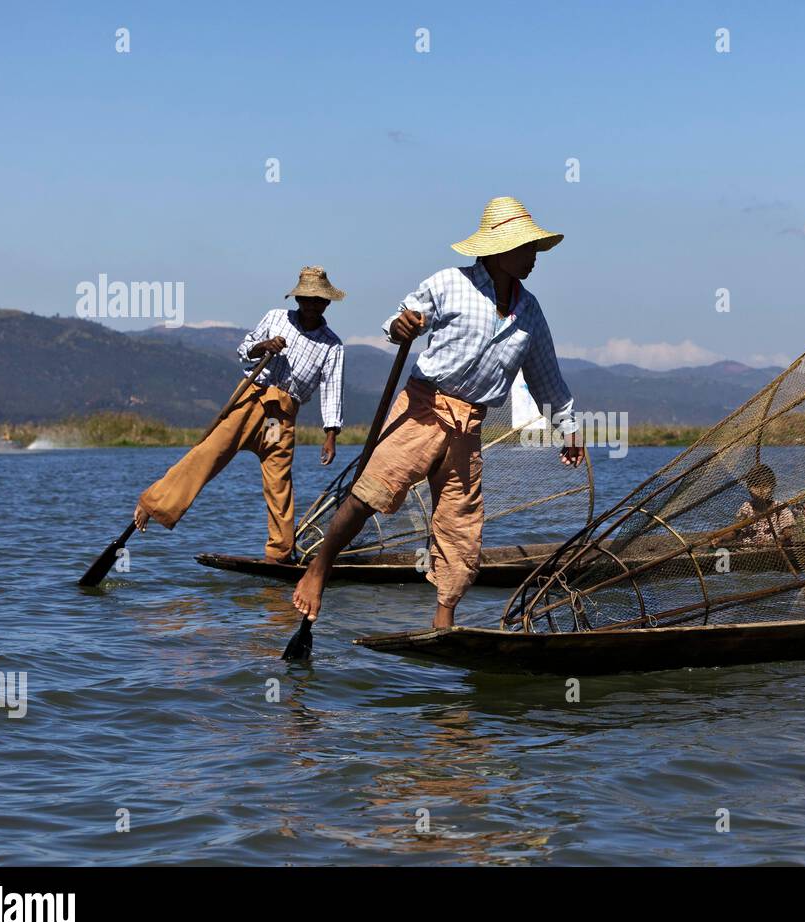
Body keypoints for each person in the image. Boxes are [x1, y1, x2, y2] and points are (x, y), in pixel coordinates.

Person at [291, 197, 584, 626]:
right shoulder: (450, 283)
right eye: (526, 249)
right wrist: (401, 326)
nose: (533, 258)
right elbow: (401, 320)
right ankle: (319, 568)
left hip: (469, 424)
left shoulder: (530, 311)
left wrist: (569, 426)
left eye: (534, 248)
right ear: (499, 250)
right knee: (371, 491)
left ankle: (443, 617)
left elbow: (545, 376)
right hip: (424, 408)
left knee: (461, 527)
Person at [133, 266, 346, 562]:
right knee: (208, 454)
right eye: (306, 298)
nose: (311, 304)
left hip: (279, 418)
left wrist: (330, 435)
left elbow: (332, 389)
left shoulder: (332, 345)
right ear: (298, 299)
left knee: (279, 483)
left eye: (318, 300)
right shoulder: (276, 318)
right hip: (251, 401)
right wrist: (264, 346)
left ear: (327, 303)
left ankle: (280, 554)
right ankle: (153, 503)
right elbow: (243, 350)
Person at [733, 463, 801, 544]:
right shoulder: (746, 508)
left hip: (773, 549)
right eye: (755, 487)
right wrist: (720, 538)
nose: (761, 491)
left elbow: (789, 531)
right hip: (748, 551)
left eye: (765, 486)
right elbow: (735, 531)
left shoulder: (779, 508)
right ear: (748, 488)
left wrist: (780, 538)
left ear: (772, 487)